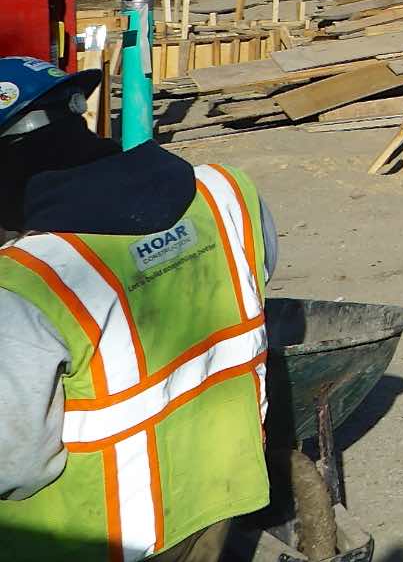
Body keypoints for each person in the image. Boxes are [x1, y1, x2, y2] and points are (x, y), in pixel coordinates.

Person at [0, 58, 277, 562]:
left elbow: (15, 464)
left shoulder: (26, 285)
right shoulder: (226, 192)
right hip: (222, 491)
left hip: (94, 533)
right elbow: (255, 279)